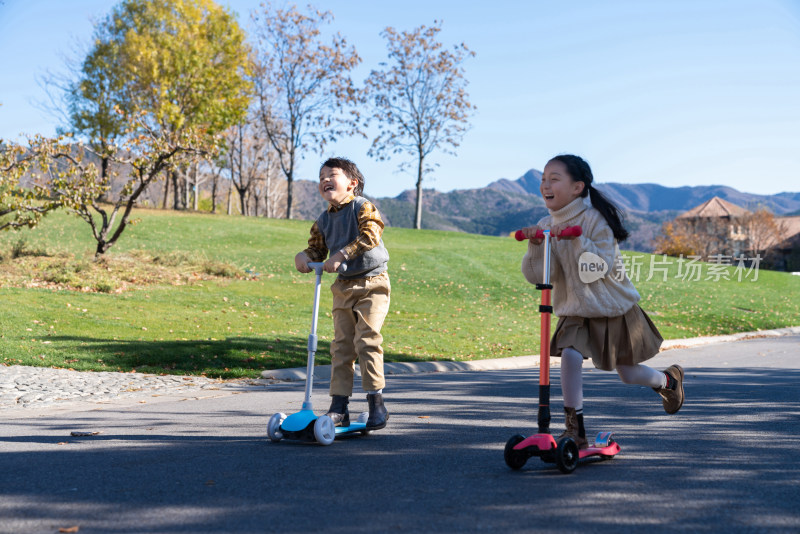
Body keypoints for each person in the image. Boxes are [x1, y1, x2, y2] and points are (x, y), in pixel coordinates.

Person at [519, 154, 684, 449]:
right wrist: (536, 247)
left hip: (611, 308)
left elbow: (596, 269)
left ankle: (668, 381)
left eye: (554, 179)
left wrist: (575, 239)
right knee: (569, 355)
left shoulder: (595, 220)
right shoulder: (547, 224)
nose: (545, 184)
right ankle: (575, 431)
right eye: (543, 179)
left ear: (578, 187)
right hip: (575, 310)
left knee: (629, 373)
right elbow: (540, 277)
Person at [294, 157, 391, 430]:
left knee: (367, 340)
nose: (325, 179)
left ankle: (376, 403)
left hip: (373, 283)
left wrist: (343, 253)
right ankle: (339, 407)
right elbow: (317, 250)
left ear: (352, 183)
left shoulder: (363, 206)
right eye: (321, 176)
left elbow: (371, 234)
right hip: (344, 287)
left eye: (332, 175)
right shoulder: (323, 220)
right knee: (341, 347)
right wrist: (305, 256)